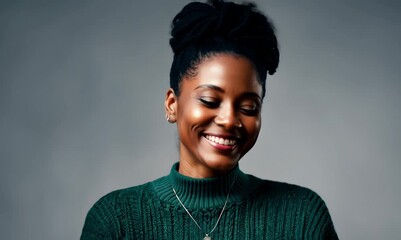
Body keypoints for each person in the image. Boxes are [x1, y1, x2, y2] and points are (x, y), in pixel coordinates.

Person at [81, 0, 338, 239]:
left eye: (248, 107)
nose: (229, 120)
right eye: (209, 101)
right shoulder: (115, 221)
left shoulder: (302, 217)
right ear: (172, 104)